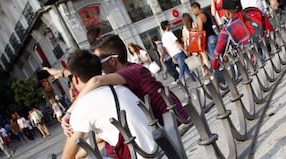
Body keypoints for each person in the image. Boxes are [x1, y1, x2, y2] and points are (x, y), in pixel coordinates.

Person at [45, 34, 189, 135]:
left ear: (112, 61)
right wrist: (61, 72)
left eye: (99, 62)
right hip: (167, 122)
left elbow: (95, 81)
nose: (98, 67)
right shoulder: (128, 71)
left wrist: (69, 113)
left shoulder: (133, 71)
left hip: (176, 123)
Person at [61, 49, 156, 159]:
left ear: (75, 79)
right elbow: (100, 138)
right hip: (156, 145)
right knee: (95, 147)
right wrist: (81, 154)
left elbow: (67, 157)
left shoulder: (83, 106)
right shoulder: (119, 86)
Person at [211, 0, 251, 71]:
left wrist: (214, 67)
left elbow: (217, 53)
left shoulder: (226, 30)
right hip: (264, 53)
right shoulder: (250, 15)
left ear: (227, 12)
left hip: (248, 63)